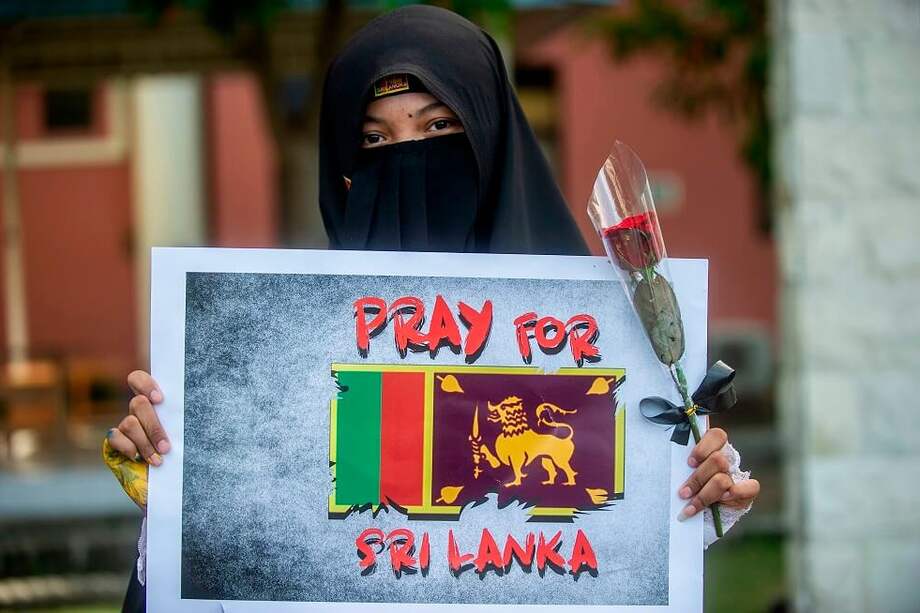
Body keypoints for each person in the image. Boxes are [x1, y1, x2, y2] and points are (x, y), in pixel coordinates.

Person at [104, 6, 759, 610]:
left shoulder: (594, 341)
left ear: (491, 138)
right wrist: (184, 474)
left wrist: (695, 491)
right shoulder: (280, 355)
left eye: (440, 127)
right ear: (343, 171)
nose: (411, 157)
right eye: (375, 139)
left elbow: (610, 546)